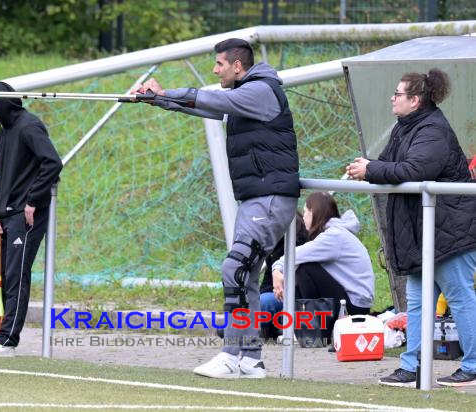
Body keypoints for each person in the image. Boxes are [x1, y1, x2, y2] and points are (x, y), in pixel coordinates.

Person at [138, 38, 299, 378]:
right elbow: (210, 107)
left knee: (235, 269)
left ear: (237, 65)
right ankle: (251, 360)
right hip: (255, 199)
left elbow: (211, 98)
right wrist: (161, 102)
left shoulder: (261, 91)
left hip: (269, 200)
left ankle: (230, 353)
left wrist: (165, 93)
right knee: (247, 276)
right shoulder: (247, 94)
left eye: (219, 64)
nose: (215, 70)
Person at [347, 68, 476, 387]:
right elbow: (389, 165)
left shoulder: (432, 129)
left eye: (398, 94)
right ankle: (413, 366)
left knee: (460, 297)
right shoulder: (406, 127)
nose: (392, 98)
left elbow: (415, 169)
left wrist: (372, 168)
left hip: (450, 233)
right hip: (425, 235)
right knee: (417, 302)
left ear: (415, 100)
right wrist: (364, 168)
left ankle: (473, 366)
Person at [0, 81, 63, 357]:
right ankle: (0, 336)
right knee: (4, 275)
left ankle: (8, 341)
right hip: (6, 218)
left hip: (27, 216)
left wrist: (33, 201)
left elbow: (52, 163)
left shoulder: (29, 126)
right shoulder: (4, 132)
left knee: (16, 274)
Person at [271, 192, 374, 322]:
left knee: (305, 269)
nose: (303, 217)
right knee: (303, 268)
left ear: (313, 212)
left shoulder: (333, 237)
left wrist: (277, 269)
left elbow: (295, 256)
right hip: (357, 303)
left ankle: (310, 326)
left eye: (305, 212)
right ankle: (304, 326)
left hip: (354, 307)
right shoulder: (337, 233)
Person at [258, 211, 308, 341]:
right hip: (278, 296)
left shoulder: (302, 245)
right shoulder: (273, 248)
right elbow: (267, 283)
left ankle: (248, 326)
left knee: (265, 302)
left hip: (296, 300)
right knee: (260, 299)